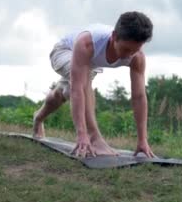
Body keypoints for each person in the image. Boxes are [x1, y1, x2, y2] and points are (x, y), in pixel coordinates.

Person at [32, 11, 155, 158]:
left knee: (62, 93)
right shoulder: (87, 42)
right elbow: (77, 89)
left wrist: (143, 140)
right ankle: (94, 138)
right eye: (126, 49)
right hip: (64, 52)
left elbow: (139, 97)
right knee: (82, 82)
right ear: (114, 36)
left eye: (135, 50)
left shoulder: (137, 56)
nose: (130, 55)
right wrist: (82, 135)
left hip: (88, 63)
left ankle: (38, 118)